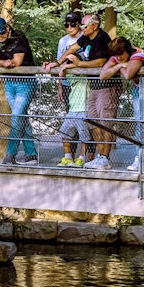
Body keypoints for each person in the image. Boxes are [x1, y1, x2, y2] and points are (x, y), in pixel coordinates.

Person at [45, 14, 115, 170]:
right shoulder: (86, 37)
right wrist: (57, 63)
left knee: (105, 122)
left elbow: (101, 62)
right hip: (95, 86)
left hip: (107, 85)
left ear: (94, 26)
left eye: (84, 26)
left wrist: (78, 64)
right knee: (93, 123)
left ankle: (105, 158)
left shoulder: (102, 38)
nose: (81, 29)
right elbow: (73, 48)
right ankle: (99, 156)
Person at [0, 16, 38, 165]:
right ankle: (31, 155)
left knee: (17, 117)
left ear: (8, 29)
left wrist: (6, 63)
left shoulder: (19, 38)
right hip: (9, 82)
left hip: (25, 82)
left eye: (2, 33)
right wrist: (3, 62)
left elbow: (17, 62)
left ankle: (10, 155)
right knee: (21, 117)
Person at [100, 37, 144, 171]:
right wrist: (119, 65)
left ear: (127, 50)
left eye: (121, 54)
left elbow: (128, 75)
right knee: (140, 123)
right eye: (116, 55)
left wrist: (119, 67)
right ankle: (138, 157)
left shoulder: (138, 54)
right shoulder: (118, 58)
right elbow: (103, 75)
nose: (119, 57)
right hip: (137, 90)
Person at [56, 71, 90, 167]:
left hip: (84, 110)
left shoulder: (85, 75)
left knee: (84, 136)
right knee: (64, 133)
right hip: (72, 110)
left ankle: (81, 159)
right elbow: (59, 74)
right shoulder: (71, 76)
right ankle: (68, 157)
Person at [56, 11, 83, 109]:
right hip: (66, 83)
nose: (69, 28)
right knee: (69, 111)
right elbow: (59, 63)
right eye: (66, 25)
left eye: (72, 24)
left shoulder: (85, 38)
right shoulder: (62, 41)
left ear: (79, 24)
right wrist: (60, 87)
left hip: (82, 83)